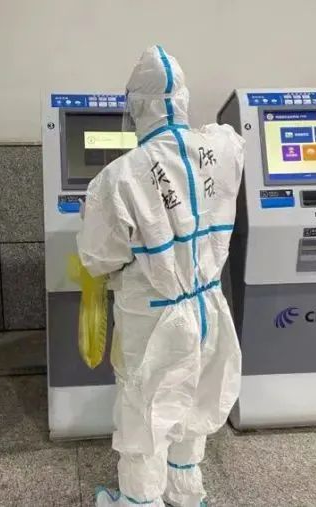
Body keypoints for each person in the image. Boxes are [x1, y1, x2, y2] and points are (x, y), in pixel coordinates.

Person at [78, 46, 244, 507]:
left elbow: (97, 257)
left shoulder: (118, 178)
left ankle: (139, 501)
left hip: (153, 317)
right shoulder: (224, 147)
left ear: (136, 106)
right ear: (183, 99)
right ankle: (185, 493)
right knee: (194, 400)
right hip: (208, 305)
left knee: (145, 416)